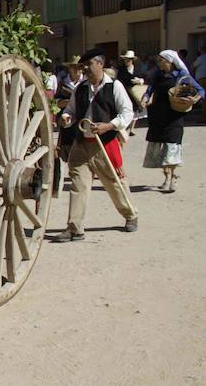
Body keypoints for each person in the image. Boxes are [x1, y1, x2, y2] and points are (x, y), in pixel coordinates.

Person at [54, 49, 138, 243]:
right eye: (83, 66)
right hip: (82, 142)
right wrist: (67, 118)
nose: (85, 69)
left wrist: (109, 125)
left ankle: (130, 214)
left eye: (88, 65)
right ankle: (75, 228)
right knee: (78, 185)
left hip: (105, 143)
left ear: (100, 64)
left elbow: (127, 113)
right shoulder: (81, 88)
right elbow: (71, 110)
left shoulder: (114, 86)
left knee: (114, 182)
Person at [141, 50, 204, 193]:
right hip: (158, 115)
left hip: (174, 116)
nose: (159, 63)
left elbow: (201, 91)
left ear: (170, 62)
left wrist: (194, 99)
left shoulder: (182, 76)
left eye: (161, 60)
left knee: (172, 146)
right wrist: (145, 98)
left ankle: (172, 177)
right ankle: (167, 176)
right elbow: (150, 89)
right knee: (160, 147)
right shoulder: (157, 75)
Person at [54, 57, 84, 163]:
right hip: (68, 118)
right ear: (69, 68)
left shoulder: (85, 82)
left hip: (83, 118)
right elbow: (57, 102)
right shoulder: (63, 84)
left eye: (79, 67)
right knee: (68, 144)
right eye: (74, 67)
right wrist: (68, 102)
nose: (77, 70)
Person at [191, 46, 206, 119]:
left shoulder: (201, 57)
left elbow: (193, 66)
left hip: (203, 78)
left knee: (203, 96)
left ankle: (204, 117)